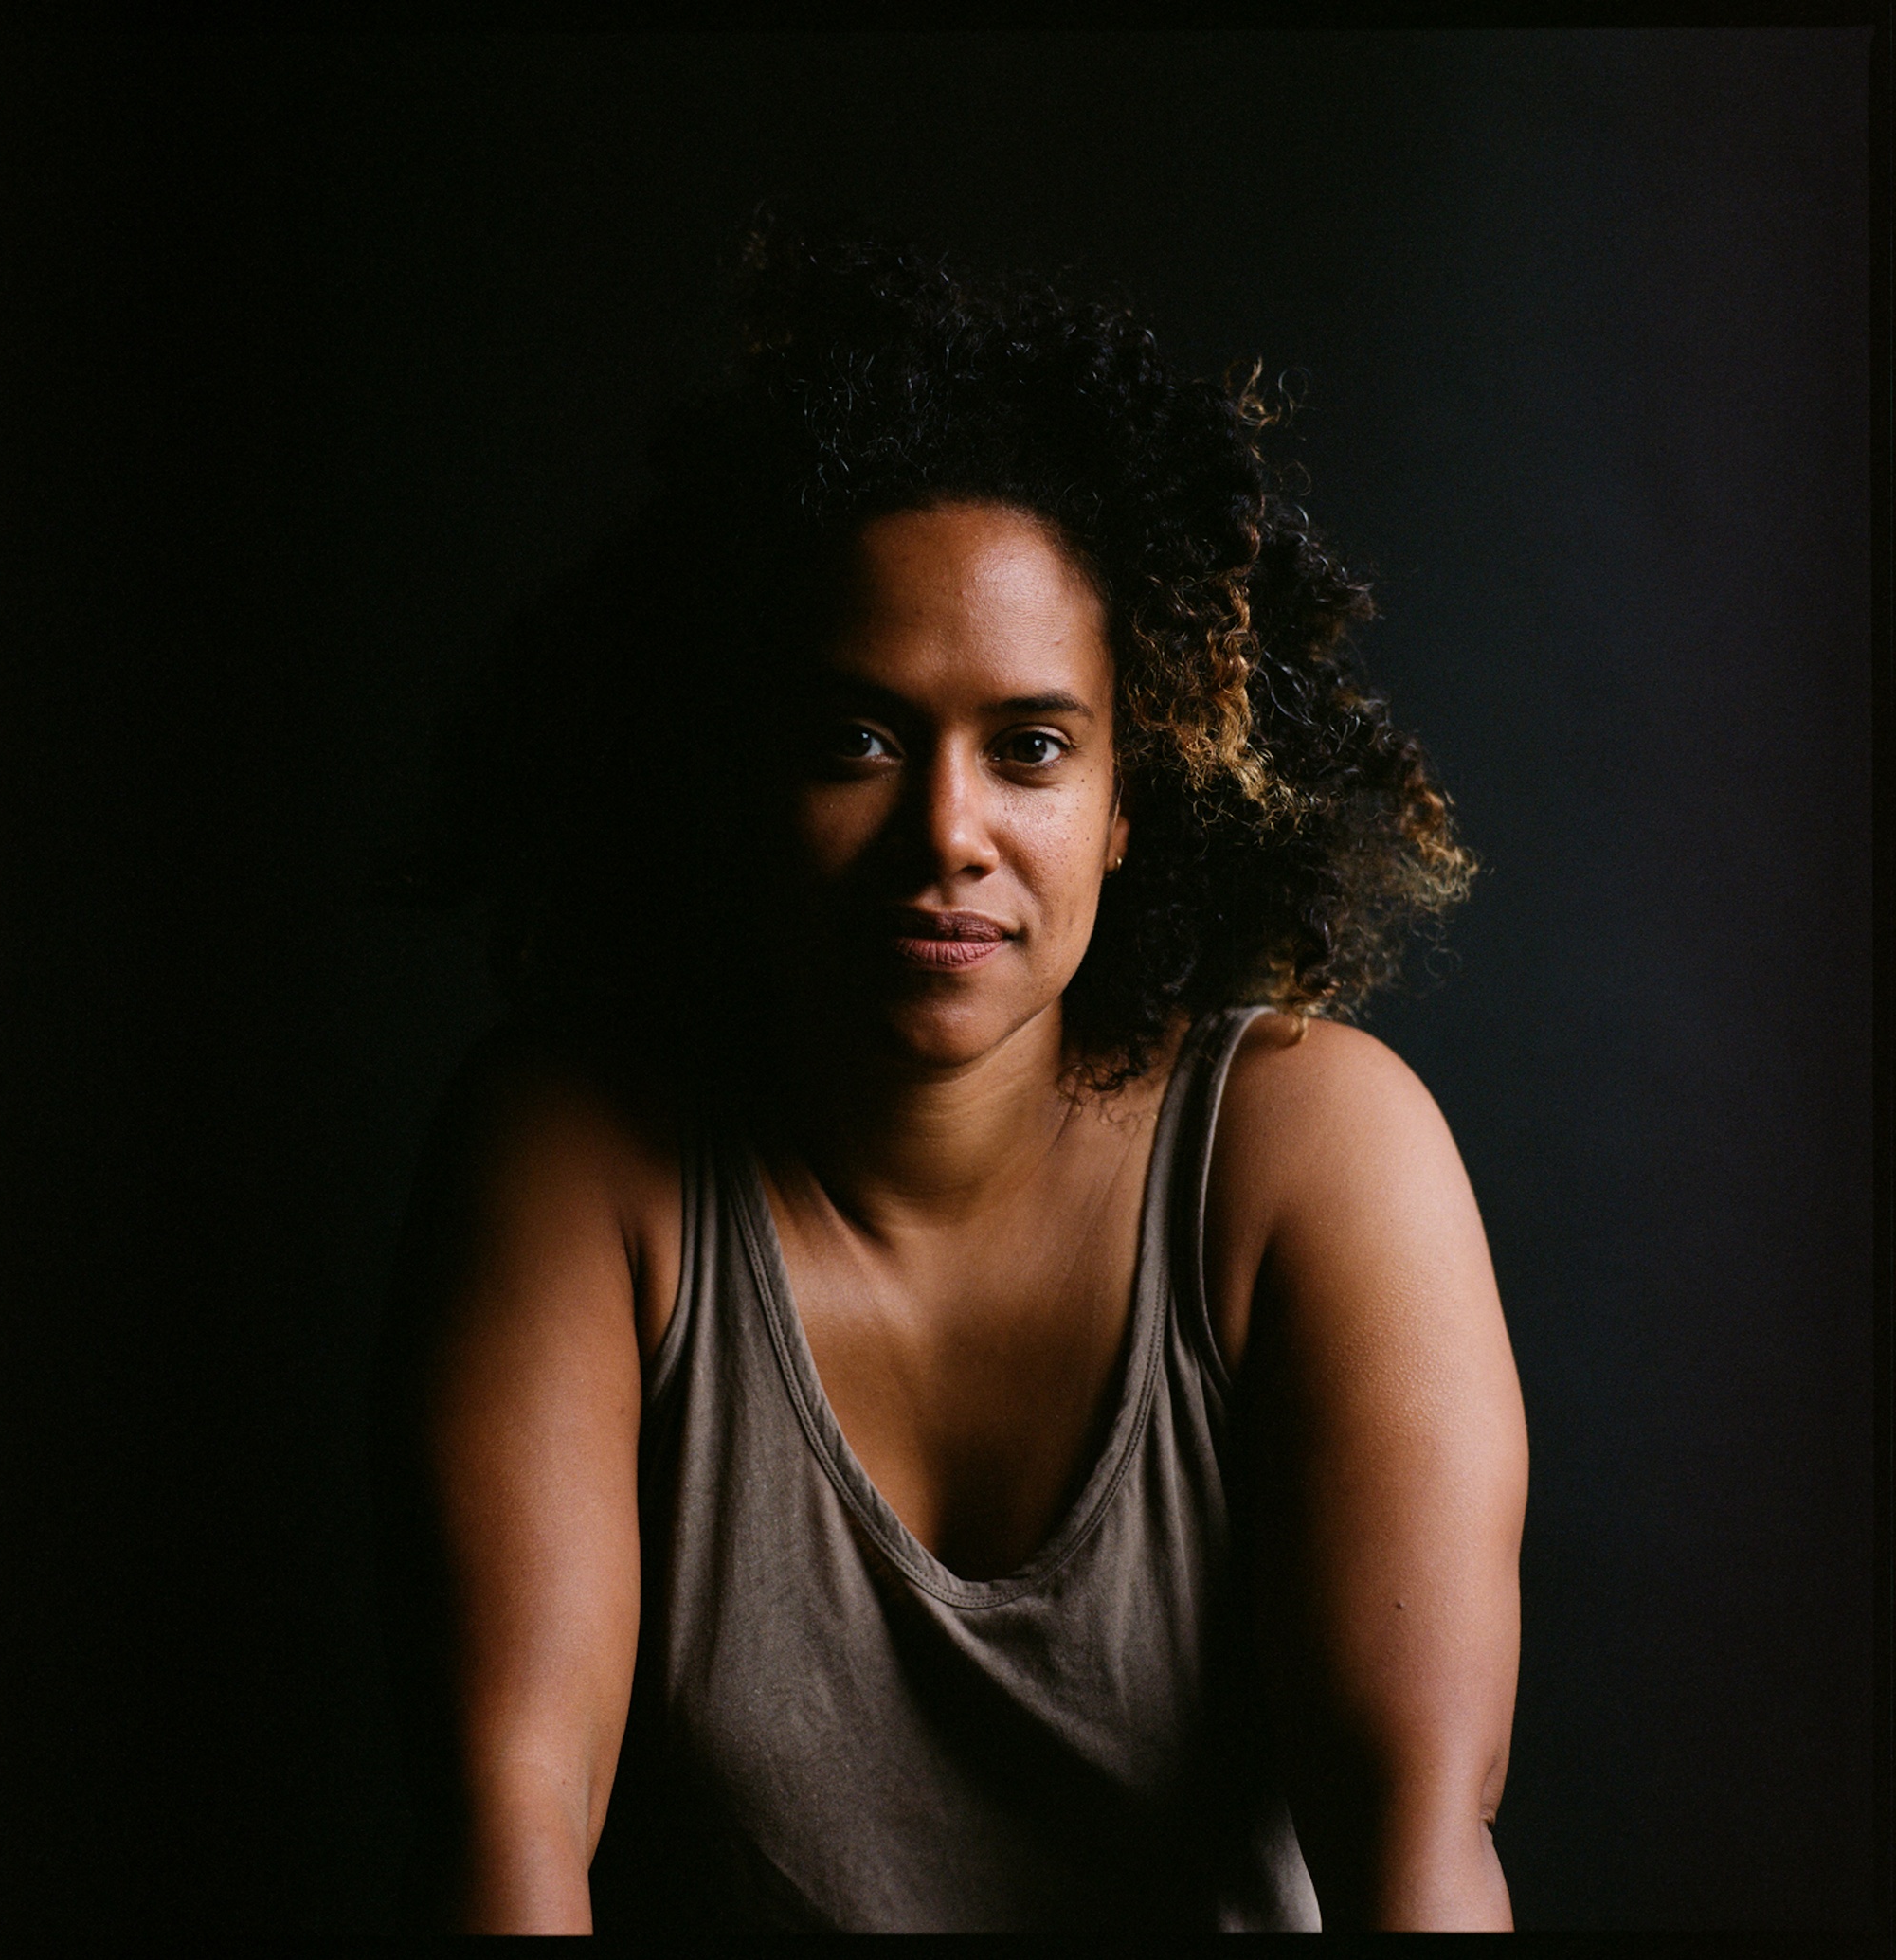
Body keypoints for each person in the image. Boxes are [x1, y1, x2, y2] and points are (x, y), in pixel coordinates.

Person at [370, 232, 1528, 1934]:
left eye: (1033, 745)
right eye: (857, 737)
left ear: (1137, 796)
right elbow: (507, 1839)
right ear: (747, 768)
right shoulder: (578, 1162)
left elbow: (1419, 1846)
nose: (946, 834)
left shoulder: (1311, 1153)